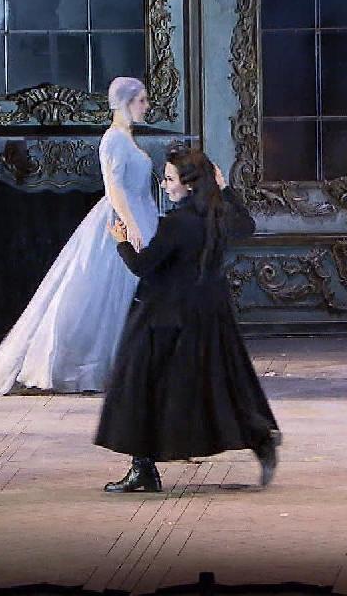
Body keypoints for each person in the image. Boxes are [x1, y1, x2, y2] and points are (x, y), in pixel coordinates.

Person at [0, 77, 161, 395]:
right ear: (126, 102)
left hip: (141, 215)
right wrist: (130, 224)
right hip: (124, 219)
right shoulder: (114, 139)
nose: (146, 106)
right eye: (141, 100)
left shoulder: (126, 138)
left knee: (125, 292)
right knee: (105, 293)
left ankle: (134, 363)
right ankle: (89, 365)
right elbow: (114, 187)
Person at [95, 147, 280, 492]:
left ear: (189, 184)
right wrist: (225, 189)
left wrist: (121, 242)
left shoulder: (177, 224)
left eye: (170, 179)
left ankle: (143, 468)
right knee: (215, 385)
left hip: (165, 315)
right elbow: (247, 225)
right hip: (208, 312)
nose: (165, 185)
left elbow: (142, 266)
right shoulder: (217, 214)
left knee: (140, 384)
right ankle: (259, 439)